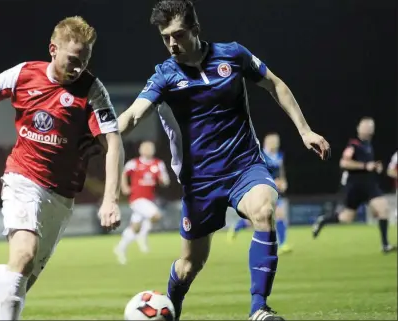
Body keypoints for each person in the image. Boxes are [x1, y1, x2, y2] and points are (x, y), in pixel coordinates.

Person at [117, 1, 330, 320]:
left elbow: (275, 84)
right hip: (200, 182)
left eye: (178, 34)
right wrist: (95, 138)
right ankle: (172, 309)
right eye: (165, 37)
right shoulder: (165, 76)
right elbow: (133, 115)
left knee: (263, 210)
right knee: (190, 265)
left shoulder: (233, 54)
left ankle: (259, 308)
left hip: (244, 166)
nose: (172, 43)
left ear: (195, 29)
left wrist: (305, 130)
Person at [0, 16, 124, 321]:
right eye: (73, 59)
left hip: (62, 197)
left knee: (18, 280)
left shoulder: (92, 89)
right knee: (22, 258)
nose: (79, 68)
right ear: (53, 49)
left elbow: (113, 143)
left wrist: (110, 198)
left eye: (85, 60)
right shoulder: (23, 74)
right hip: (23, 177)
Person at [312, 117, 395, 253]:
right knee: (346, 218)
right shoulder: (353, 144)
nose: (368, 129)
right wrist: (365, 165)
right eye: (365, 126)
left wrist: (374, 167)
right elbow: (344, 163)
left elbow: (367, 166)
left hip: (369, 186)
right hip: (354, 187)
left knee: (383, 209)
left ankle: (385, 245)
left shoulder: (368, 145)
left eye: (370, 126)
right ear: (358, 128)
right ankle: (323, 220)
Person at [227, 133, 292, 255]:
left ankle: (283, 244)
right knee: (256, 220)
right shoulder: (261, 154)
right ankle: (237, 227)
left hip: (277, 189)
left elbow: (281, 171)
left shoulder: (279, 155)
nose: (276, 143)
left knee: (279, 215)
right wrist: (273, 181)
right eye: (274, 141)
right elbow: (260, 171)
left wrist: (283, 181)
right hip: (265, 187)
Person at [114, 140, 170, 264]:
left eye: (150, 148)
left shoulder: (158, 164)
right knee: (156, 215)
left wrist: (162, 180)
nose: (147, 150)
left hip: (149, 199)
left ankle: (120, 248)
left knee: (135, 227)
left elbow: (166, 181)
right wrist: (124, 186)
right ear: (140, 150)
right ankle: (142, 235)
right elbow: (122, 173)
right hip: (137, 198)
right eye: (145, 148)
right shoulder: (134, 163)